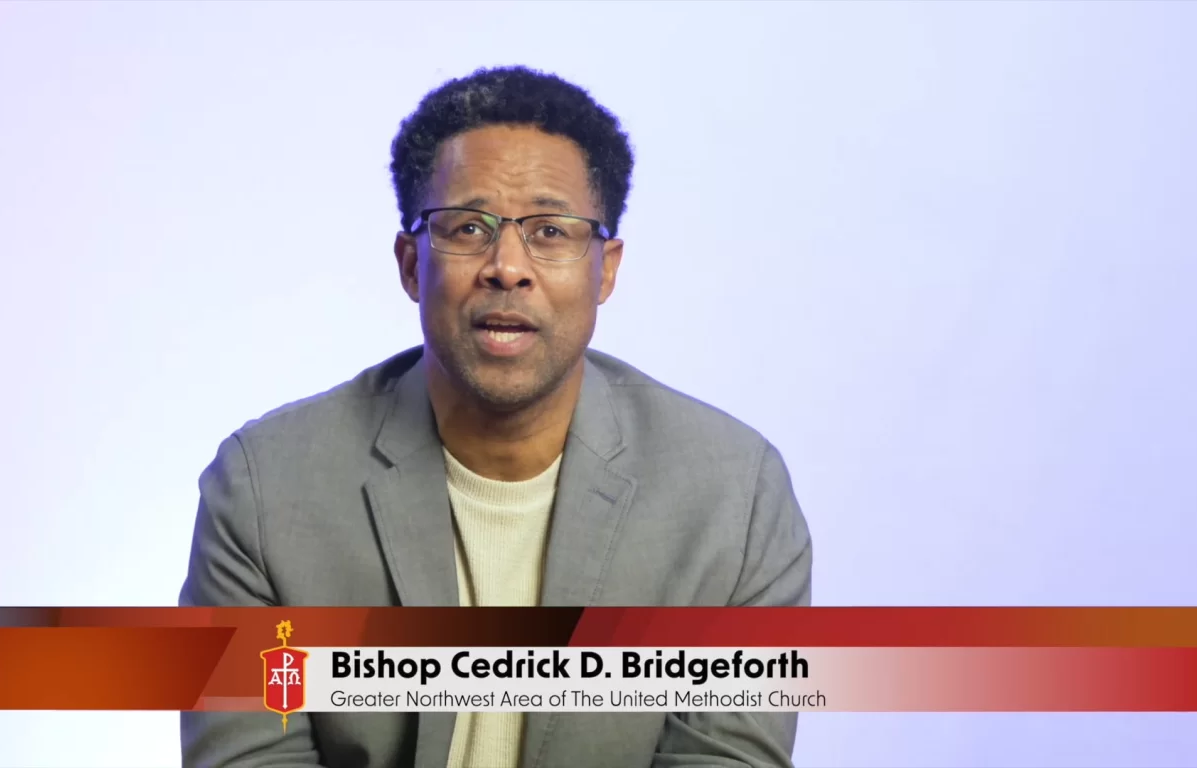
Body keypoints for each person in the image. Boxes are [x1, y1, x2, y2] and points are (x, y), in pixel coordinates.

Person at [180, 65, 813, 768]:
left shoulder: (735, 498)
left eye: (551, 230)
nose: (507, 267)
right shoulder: (265, 490)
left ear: (605, 269)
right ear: (411, 264)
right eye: (468, 227)